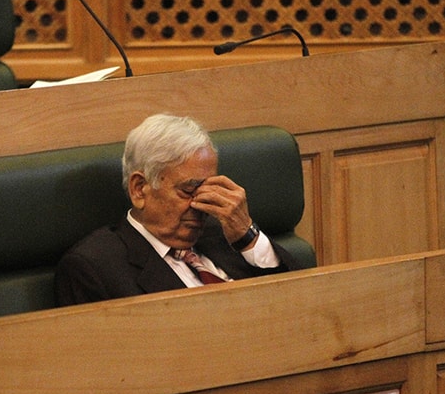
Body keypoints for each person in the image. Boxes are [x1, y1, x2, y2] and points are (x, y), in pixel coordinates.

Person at [55, 114, 302, 306]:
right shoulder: (94, 267)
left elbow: (300, 300)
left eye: (208, 189)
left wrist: (248, 237)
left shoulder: (224, 233)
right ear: (140, 189)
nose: (201, 205)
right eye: (188, 191)